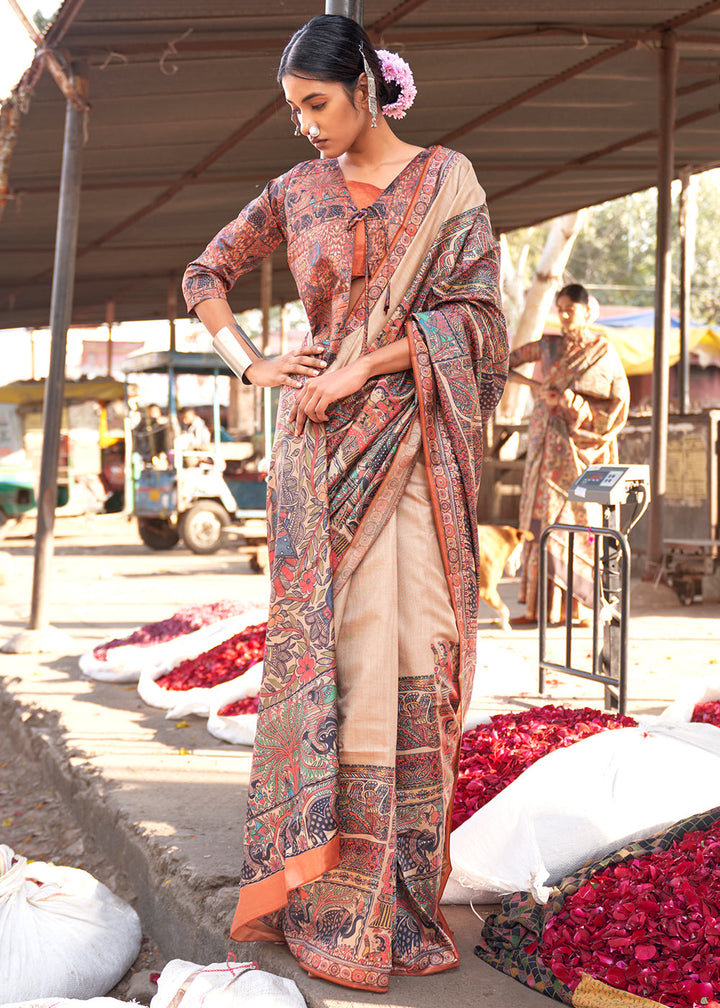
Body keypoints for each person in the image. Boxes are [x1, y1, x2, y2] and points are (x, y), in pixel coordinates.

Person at [182, 14, 507, 993]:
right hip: (321, 457)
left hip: (416, 445)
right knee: (340, 662)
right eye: (294, 111)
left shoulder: (449, 180)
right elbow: (205, 273)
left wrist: (365, 363)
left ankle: (400, 897)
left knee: (420, 658)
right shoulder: (296, 190)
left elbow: (477, 319)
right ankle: (330, 895)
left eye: (316, 104)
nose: (306, 125)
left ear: (367, 88)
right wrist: (254, 364)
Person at [509, 283, 630, 627]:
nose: (563, 315)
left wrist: (573, 404)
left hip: (580, 448)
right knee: (542, 520)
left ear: (588, 310)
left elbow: (617, 403)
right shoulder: (548, 347)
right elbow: (503, 363)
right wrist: (538, 389)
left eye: (570, 309)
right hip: (545, 444)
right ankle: (538, 610)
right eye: (559, 309)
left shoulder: (603, 351)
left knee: (579, 521)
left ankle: (578, 609)